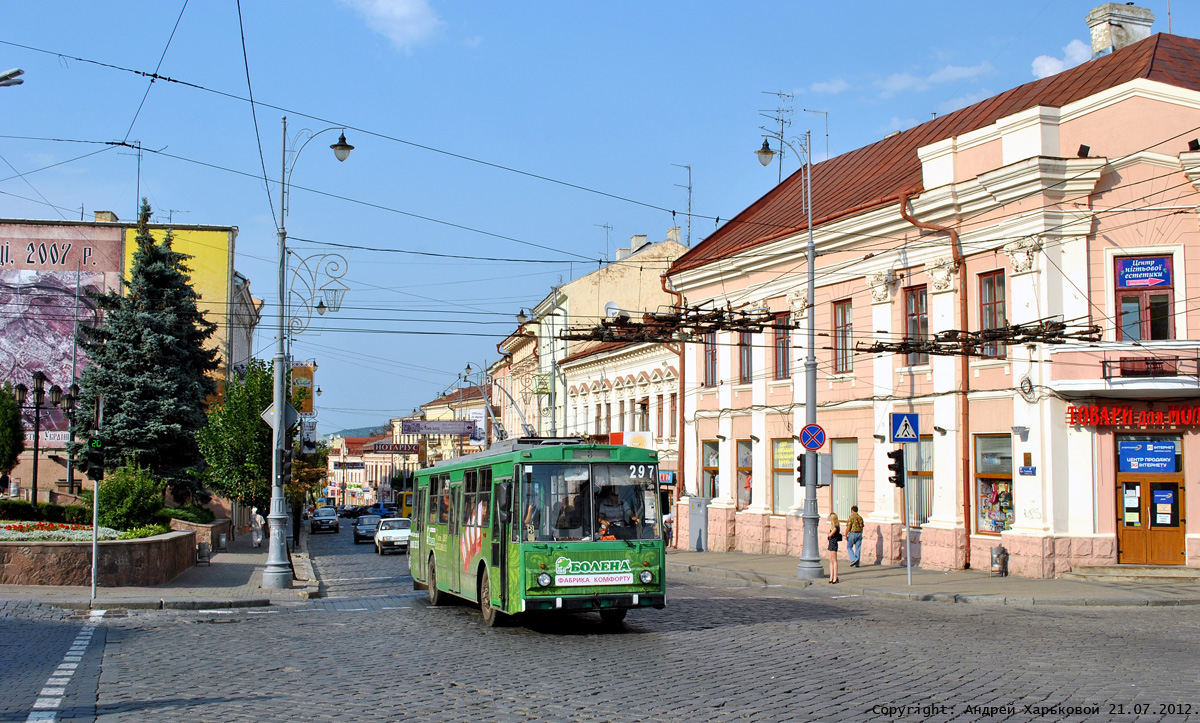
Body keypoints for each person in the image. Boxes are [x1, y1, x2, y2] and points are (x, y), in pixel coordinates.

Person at [826, 512, 841, 584]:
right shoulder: (832, 527)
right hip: (830, 543)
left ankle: (835, 577)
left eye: (831, 518)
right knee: (830, 560)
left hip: (834, 543)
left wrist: (829, 534)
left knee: (834, 560)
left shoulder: (836, 527)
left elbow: (830, 535)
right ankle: (831, 576)